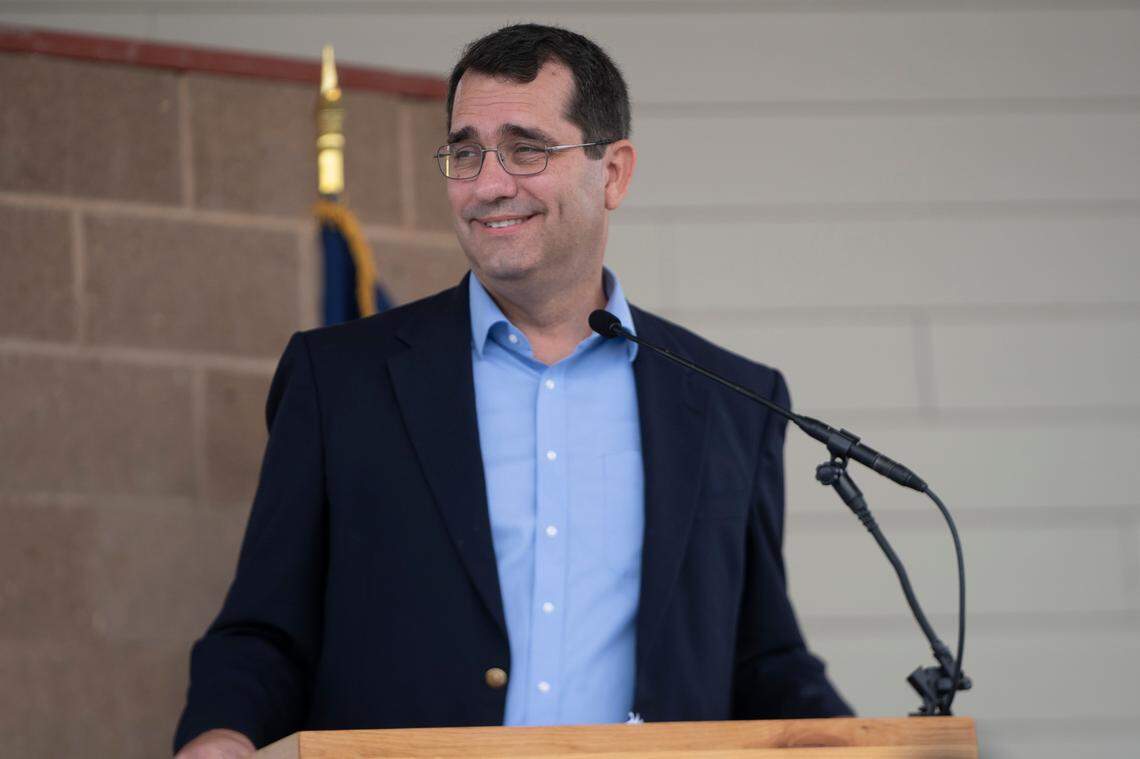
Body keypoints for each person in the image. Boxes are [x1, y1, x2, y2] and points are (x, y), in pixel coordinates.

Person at [174, 23, 850, 758]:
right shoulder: (340, 381)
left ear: (613, 172)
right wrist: (221, 734)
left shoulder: (731, 403)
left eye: (527, 149)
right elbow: (265, 630)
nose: (489, 184)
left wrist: (878, 743)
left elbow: (762, 659)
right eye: (465, 152)